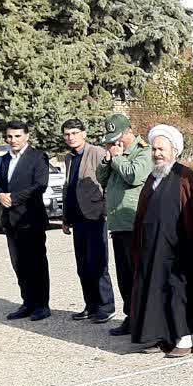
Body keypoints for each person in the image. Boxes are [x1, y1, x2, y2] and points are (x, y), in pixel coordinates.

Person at [130, 125, 193, 357]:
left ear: (174, 150)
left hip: (178, 249)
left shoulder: (185, 177)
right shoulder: (153, 177)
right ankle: (160, 336)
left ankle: (184, 339)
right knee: (155, 291)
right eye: (154, 149)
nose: (157, 154)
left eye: (161, 149)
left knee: (178, 292)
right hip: (153, 249)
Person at [96, 113, 151, 337]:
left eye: (118, 138)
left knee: (138, 275)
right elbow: (102, 179)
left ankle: (144, 319)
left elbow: (134, 176)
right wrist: (108, 160)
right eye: (111, 140)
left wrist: (118, 158)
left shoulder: (144, 152)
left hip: (135, 224)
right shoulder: (115, 153)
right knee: (124, 276)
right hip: (118, 224)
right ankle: (130, 316)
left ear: (129, 132)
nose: (114, 143)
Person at [0, 121, 52, 321]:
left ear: (27, 136)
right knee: (19, 264)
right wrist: (0, 194)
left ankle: (42, 305)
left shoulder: (38, 157)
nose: (13, 140)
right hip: (10, 221)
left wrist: (13, 198)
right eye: (10, 136)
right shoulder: (5, 159)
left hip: (30, 219)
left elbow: (40, 185)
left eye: (17, 136)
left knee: (36, 263)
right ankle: (27, 302)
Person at [60, 118, 114, 323]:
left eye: (74, 133)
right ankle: (90, 305)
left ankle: (106, 306)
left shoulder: (97, 153)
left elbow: (108, 183)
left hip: (95, 216)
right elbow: (68, 187)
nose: (71, 137)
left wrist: (106, 210)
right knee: (83, 265)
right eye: (67, 134)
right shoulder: (69, 158)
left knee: (98, 263)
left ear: (84, 133)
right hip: (77, 218)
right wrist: (65, 217)